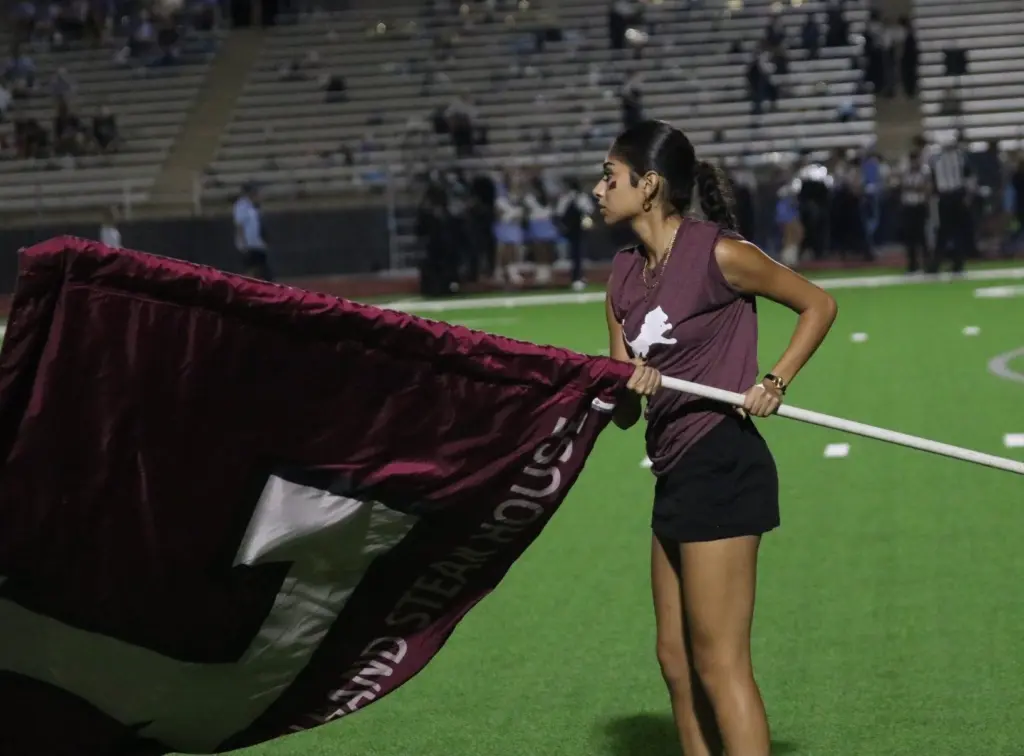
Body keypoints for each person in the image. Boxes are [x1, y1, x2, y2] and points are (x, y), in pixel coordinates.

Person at [595, 120, 838, 756]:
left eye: (610, 177)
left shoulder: (719, 253)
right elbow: (624, 414)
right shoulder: (621, 276)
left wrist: (775, 381)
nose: (598, 189)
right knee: (675, 660)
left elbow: (818, 304)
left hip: (722, 461)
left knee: (719, 661)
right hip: (673, 468)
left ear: (649, 185)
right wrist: (628, 385)